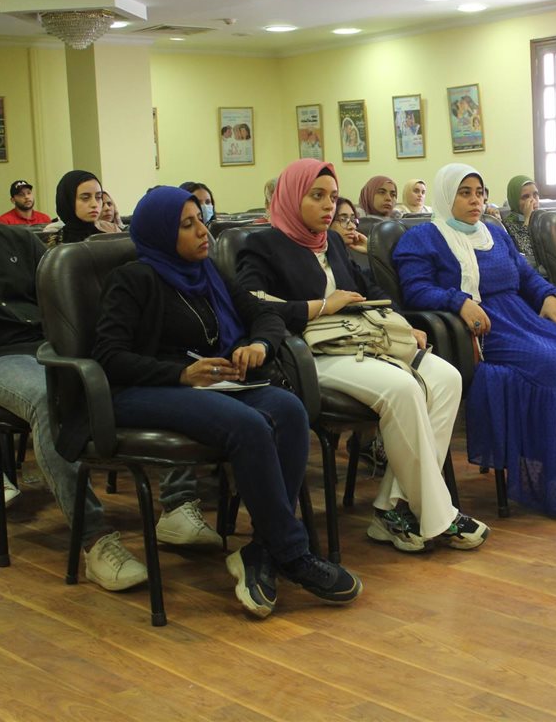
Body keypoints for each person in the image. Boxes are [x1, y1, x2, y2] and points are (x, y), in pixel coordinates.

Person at [0, 139, 209, 590]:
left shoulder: (19, 242)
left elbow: (66, 298)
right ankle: (95, 540)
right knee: (52, 397)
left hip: (51, 347)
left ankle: (178, 506)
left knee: (151, 365)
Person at [93, 186, 361, 617]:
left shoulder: (208, 272)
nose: (203, 231)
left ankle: (261, 550)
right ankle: (292, 553)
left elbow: (265, 314)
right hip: (145, 390)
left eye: (200, 220)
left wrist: (259, 344)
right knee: (248, 425)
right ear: (161, 234)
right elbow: (109, 357)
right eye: (187, 225)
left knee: (289, 410)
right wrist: (180, 374)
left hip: (209, 383)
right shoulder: (133, 280)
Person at [237, 158, 488, 553]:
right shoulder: (262, 246)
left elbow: (371, 290)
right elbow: (253, 305)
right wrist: (323, 305)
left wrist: (402, 325)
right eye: (316, 196)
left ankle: (392, 510)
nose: (328, 206)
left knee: (446, 378)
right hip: (311, 354)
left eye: (333, 197)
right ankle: (438, 516)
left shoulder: (333, 242)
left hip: (365, 342)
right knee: (403, 388)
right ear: (291, 197)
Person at [394, 163, 556, 516]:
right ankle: (554, 481)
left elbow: (526, 276)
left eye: (480, 193)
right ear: (446, 196)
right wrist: (458, 301)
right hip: (477, 329)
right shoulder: (422, 238)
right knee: (550, 364)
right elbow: (415, 290)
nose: (475, 201)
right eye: (465, 193)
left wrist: (549, 295)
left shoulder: (494, 233)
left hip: (520, 317)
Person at [52, 170, 103, 244]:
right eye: (85, 198)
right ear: (68, 201)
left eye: (98, 197)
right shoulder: (53, 244)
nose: (94, 204)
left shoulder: (108, 240)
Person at [502, 175, 541, 266]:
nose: (533, 201)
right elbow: (528, 259)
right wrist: (527, 220)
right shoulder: (506, 225)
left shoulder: (544, 220)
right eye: (525, 197)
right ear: (514, 200)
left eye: (535, 194)